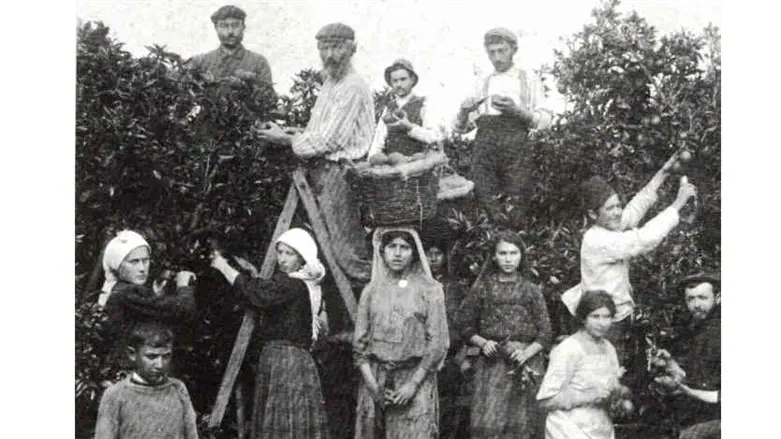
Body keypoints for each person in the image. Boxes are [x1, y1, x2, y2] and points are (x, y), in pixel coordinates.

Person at [254, 23, 375, 286]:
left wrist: (286, 139)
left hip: (339, 173)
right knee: (328, 247)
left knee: (348, 254)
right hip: (323, 169)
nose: (330, 54)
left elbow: (330, 139)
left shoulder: (352, 86)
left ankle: (383, 311)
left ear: (352, 49)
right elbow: (318, 131)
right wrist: (292, 131)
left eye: (337, 47)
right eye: (325, 47)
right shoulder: (332, 82)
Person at [561, 152, 698, 364]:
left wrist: (663, 173)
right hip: (605, 322)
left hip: (616, 316)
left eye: (617, 205)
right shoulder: (597, 240)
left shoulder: (608, 226)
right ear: (592, 215)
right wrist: (677, 204)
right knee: (607, 377)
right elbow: (643, 239)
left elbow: (634, 210)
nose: (617, 212)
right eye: (610, 208)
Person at [210, 227, 330, 439]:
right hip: (294, 360)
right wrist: (254, 274)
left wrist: (223, 267)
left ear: (302, 258)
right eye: (280, 252)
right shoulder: (306, 284)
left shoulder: (293, 284)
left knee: (283, 419)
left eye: (289, 253)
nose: (282, 259)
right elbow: (267, 291)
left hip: (285, 362)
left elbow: (257, 294)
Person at [454, 230, 552, 438]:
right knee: (490, 422)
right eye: (503, 253)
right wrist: (482, 343)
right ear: (494, 257)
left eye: (513, 253)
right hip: (492, 365)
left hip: (524, 364)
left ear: (521, 256)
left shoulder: (531, 290)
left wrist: (526, 353)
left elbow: (545, 333)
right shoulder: (483, 288)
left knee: (523, 423)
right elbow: (463, 323)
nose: (508, 259)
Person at [353, 227, 449, 438]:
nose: (397, 253)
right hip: (375, 381)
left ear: (414, 252)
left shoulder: (430, 290)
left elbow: (438, 343)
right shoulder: (371, 290)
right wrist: (373, 386)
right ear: (382, 251)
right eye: (392, 247)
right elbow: (359, 345)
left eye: (404, 248)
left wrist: (412, 385)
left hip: (414, 380)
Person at [453, 27, 553, 221]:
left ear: (514, 49)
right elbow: (462, 128)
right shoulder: (482, 82)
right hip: (484, 149)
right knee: (486, 201)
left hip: (516, 149)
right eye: (492, 52)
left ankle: (516, 246)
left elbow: (545, 121)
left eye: (502, 50)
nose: (497, 57)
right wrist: (464, 111)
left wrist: (517, 111)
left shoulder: (528, 79)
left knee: (517, 202)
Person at [100, 230, 196, 369]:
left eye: (145, 261)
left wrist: (156, 296)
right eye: (134, 262)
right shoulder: (127, 292)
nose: (142, 268)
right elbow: (183, 309)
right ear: (118, 265)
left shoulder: (117, 289)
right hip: (125, 370)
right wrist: (184, 286)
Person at [536, 290, 625, 439]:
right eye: (595, 316)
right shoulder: (568, 349)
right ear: (583, 318)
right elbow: (546, 401)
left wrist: (618, 395)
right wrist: (589, 396)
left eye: (607, 317)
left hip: (601, 427)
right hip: (568, 428)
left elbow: (611, 387)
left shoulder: (609, 349)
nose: (602, 323)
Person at [94, 322, 198, 439]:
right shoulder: (115, 395)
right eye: (151, 357)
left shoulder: (178, 389)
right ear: (132, 354)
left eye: (166, 356)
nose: (159, 364)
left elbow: (192, 435)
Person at [650, 273, 720, 439]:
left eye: (703, 298)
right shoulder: (698, 328)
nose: (696, 304)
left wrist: (681, 388)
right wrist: (670, 364)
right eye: (691, 299)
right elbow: (698, 376)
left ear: (718, 297)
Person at [421, 234, 470, 439]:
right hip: (420, 355)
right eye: (428, 254)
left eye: (438, 254)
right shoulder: (415, 283)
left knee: (447, 408)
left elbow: (459, 322)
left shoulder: (452, 286)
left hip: (448, 356)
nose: (433, 259)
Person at [187, 5, 275, 93]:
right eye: (223, 26)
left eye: (235, 25)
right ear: (216, 28)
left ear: (243, 27)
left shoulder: (258, 63)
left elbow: (269, 99)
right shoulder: (200, 62)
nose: (230, 31)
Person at [368, 58, 445, 158]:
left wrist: (410, 127)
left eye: (403, 79)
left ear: (412, 80)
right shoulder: (389, 107)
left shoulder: (424, 104)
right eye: (395, 81)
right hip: (391, 166)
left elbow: (435, 137)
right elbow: (378, 142)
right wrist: (372, 160)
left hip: (417, 165)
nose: (399, 84)